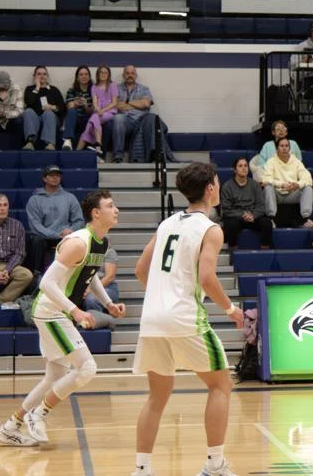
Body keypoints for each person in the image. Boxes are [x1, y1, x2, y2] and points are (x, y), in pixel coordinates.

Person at [131, 162, 245, 476]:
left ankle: (142, 469)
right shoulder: (210, 229)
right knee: (221, 385)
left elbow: (141, 269)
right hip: (183, 317)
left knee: (157, 396)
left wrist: (163, 296)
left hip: (152, 318)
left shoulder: (167, 223)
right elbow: (207, 278)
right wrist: (230, 309)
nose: (219, 187)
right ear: (210, 188)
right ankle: (215, 465)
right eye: (218, 182)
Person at [0, 189, 122, 447]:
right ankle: (39, 413)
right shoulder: (78, 242)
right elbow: (47, 283)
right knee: (87, 368)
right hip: (51, 311)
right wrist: (75, 310)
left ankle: (10, 426)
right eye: (110, 206)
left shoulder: (101, 242)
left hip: (60, 312)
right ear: (96, 213)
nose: (116, 209)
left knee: (53, 379)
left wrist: (107, 303)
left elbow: (90, 274)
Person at [25, 165, 85, 273]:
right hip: (45, 238)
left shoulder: (70, 197)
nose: (55, 178)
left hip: (66, 237)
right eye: (51, 175)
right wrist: (56, 235)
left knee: (76, 239)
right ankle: (37, 273)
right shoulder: (35, 200)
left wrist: (71, 230)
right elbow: (35, 225)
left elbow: (79, 221)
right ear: (44, 178)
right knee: (37, 240)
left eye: (57, 175)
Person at [220, 157, 273, 249]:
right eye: (240, 166)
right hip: (236, 217)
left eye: (245, 166)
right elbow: (226, 209)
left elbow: (261, 206)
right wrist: (243, 215)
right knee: (231, 225)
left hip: (253, 217)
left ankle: (265, 252)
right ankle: (233, 253)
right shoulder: (227, 186)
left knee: (267, 223)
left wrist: (253, 215)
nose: (244, 168)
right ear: (234, 170)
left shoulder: (255, 185)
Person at [262, 137, 313, 227]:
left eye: (286, 146)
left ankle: (306, 219)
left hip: (292, 193)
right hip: (277, 193)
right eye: (282, 146)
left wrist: (297, 184)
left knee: (308, 188)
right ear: (277, 148)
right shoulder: (271, 161)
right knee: (268, 187)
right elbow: (265, 179)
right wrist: (281, 184)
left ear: (289, 148)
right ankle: (271, 219)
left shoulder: (296, 161)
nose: (284, 148)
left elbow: (308, 178)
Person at [110, 65, 154, 163]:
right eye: (127, 73)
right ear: (123, 75)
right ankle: (118, 156)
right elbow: (115, 105)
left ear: (136, 75)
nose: (130, 75)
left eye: (132, 73)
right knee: (118, 118)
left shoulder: (144, 89)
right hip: (125, 121)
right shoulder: (116, 89)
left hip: (141, 121)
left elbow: (146, 103)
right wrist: (138, 103)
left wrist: (127, 103)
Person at [22, 65, 65, 151]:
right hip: (35, 118)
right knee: (28, 111)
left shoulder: (54, 90)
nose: (42, 76)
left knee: (48, 113)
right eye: (39, 74)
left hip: (51, 118)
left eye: (44, 74)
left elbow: (63, 108)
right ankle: (30, 142)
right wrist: (37, 87)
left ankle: (50, 144)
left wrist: (52, 107)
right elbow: (29, 102)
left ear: (47, 76)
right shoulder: (29, 89)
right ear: (34, 76)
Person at [78, 65, 118, 155]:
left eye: (106, 72)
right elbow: (95, 101)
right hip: (98, 111)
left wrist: (103, 110)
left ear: (109, 74)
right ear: (98, 74)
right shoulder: (94, 87)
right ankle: (97, 147)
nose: (103, 74)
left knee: (94, 118)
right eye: (101, 72)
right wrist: (97, 109)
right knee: (89, 125)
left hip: (110, 111)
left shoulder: (112, 85)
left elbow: (114, 103)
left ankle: (79, 151)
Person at [83, 246, 120, 315]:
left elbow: (110, 276)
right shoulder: (83, 251)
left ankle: (98, 324)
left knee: (91, 299)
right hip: (87, 287)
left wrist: (90, 290)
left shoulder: (109, 252)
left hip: (108, 287)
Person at [63, 66, 92, 151]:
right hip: (75, 119)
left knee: (95, 117)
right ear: (77, 78)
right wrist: (75, 103)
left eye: (86, 74)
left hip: (88, 119)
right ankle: (68, 140)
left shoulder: (93, 91)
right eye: (81, 75)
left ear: (89, 77)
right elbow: (69, 107)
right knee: (72, 111)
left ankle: (93, 147)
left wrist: (86, 105)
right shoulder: (72, 90)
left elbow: (93, 111)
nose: (84, 76)